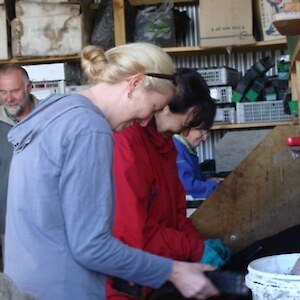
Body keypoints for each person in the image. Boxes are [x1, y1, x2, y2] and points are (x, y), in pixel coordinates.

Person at [4, 43, 219, 300]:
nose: (143, 122)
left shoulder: (56, 109)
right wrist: (174, 271)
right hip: (63, 288)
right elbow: (91, 246)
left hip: (27, 282)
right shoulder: (89, 128)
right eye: (151, 108)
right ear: (134, 83)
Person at [107, 68, 231, 300]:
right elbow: (135, 233)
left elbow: (175, 218)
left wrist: (201, 243)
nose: (186, 130)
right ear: (163, 105)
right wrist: (196, 250)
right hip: (124, 283)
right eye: (188, 121)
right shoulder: (127, 144)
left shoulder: (165, 147)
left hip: (154, 276)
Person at [0, 64, 39, 270]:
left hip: (44, 221)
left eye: (14, 91)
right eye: (2, 92)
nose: (8, 98)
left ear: (29, 87)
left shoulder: (50, 118)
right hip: (5, 225)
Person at [173, 128, 224, 200]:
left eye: (207, 132)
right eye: (202, 131)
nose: (205, 138)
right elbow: (187, 186)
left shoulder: (184, 148)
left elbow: (191, 176)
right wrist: (217, 186)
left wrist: (206, 180)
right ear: (186, 128)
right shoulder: (176, 149)